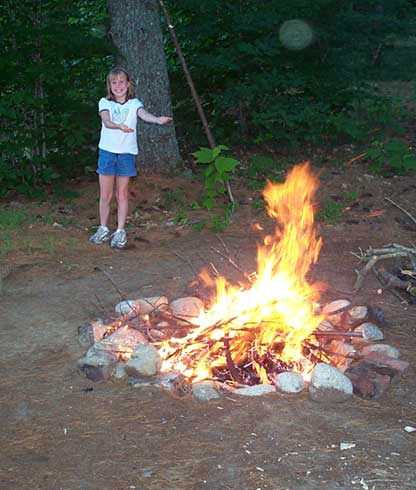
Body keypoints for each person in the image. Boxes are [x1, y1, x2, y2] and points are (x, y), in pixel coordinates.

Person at [89, 67, 172, 249]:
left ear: (128, 84)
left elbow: (144, 114)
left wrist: (157, 120)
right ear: (110, 86)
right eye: (114, 82)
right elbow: (106, 120)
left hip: (127, 154)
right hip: (107, 153)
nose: (118, 86)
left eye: (121, 82)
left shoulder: (134, 104)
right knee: (105, 194)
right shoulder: (105, 102)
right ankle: (103, 228)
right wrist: (117, 126)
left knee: (122, 193)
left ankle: (120, 231)